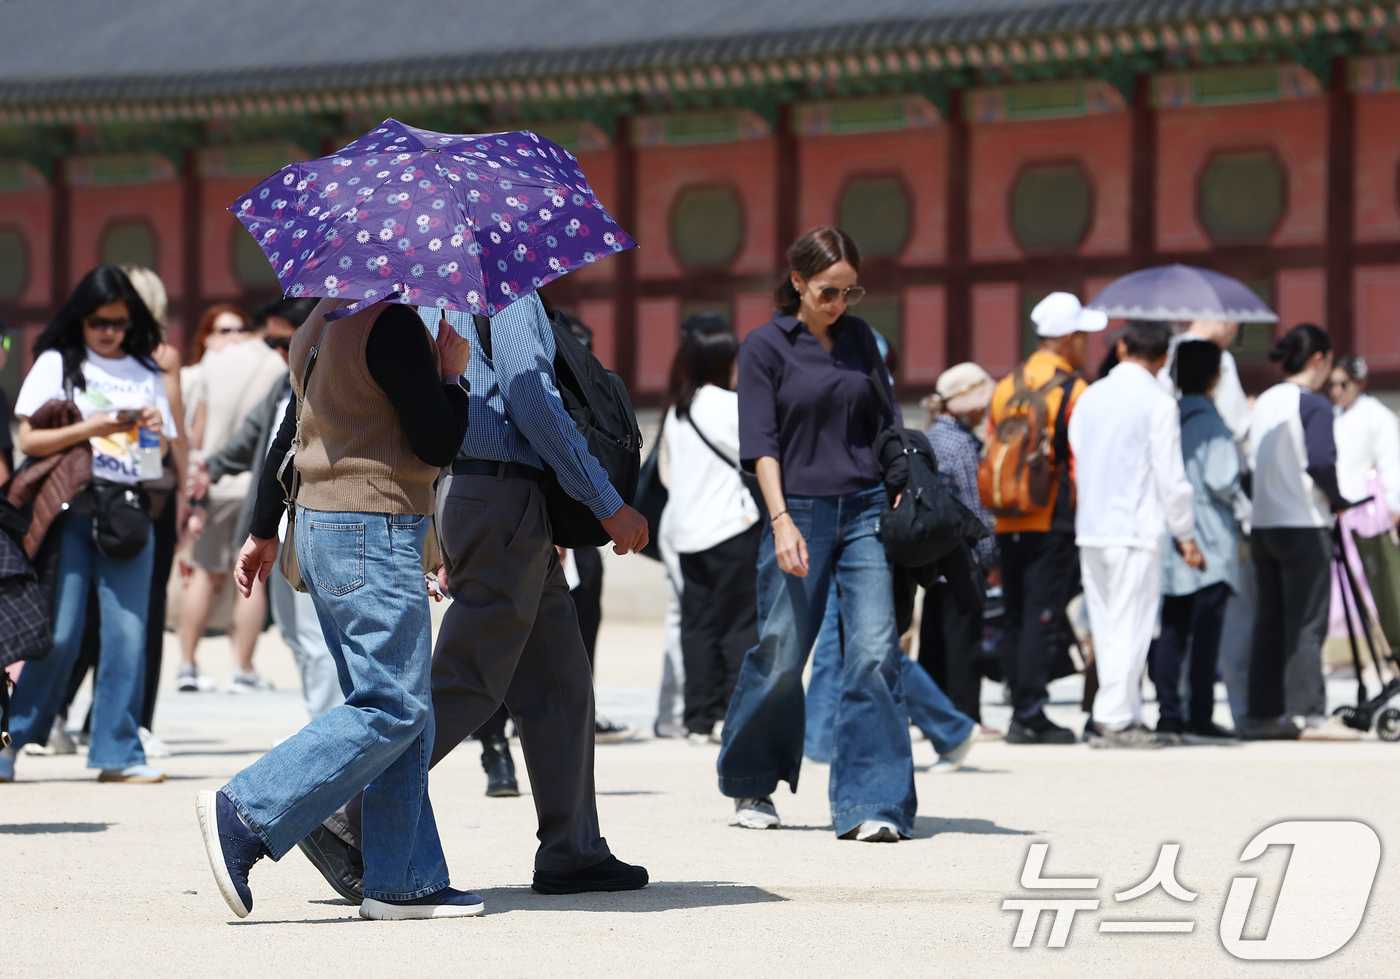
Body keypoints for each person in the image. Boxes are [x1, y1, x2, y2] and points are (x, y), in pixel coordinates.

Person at [297, 293, 650, 903]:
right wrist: (604, 501)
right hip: (497, 492)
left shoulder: (416, 292)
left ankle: (575, 849)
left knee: (559, 679)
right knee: (467, 677)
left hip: (481, 494)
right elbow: (532, 399)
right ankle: (346, 814)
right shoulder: (501, 288)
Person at [201, 296, 482, 920]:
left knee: (401, 709)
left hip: (324, 528)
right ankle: (248, 810)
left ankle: (401, 878)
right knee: (395, 705)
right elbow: (437, 441)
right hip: (373, 527)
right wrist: (452, 377)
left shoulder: (319, 321)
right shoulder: (392, 324)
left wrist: (263, 528)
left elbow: (289, 433)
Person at [720, 226, 913, 843]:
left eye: (851, 293)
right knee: (781, 650)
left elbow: (886, 420)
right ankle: (754, 780)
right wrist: (779, 520)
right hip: (796, 509)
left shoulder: (860, 339)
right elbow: (762, 444)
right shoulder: (764, 347)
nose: (839, 304)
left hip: (864, 511)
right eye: (829, 291)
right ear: (798, 282)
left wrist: (902, 480)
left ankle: (872, 802)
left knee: (876, 651)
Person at [0, 266, 177, 785]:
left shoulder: (146, 369)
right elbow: (29, 439)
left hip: (128, 506)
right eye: (100, 321)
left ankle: (117, 751)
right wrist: (93, 427)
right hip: (69, 507)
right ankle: (14, 739)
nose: (109, 332)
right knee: (60, 632)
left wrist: (150, 432)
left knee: (128, 632)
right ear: (81, 317)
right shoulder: (58, 362)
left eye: (120, 323)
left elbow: (161, 449)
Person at [187, 298, 339, 721]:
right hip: (280, 523)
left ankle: (330, 731)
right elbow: (256, 437)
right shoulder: (283, 383)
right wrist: (211, 469)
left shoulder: (329, 373)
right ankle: (319, 723)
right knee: (292, 632)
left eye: (278, 339)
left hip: (318, 518)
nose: (271, 347)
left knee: (316, 633)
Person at [1070, 320, 1201, 749]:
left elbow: (1078, 454)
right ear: (1164, 357)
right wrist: (1186, 532)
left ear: (1123, 347)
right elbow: (1172, 478)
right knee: (1132, 625)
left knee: (1107, 626)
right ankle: (1116, 716)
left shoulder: (1090, 396)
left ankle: (1116, 712)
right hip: (1135, 527)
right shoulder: (1159, 403)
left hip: (1092, 527)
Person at [989, 292, 1103, 745]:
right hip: (1051, 514)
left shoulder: (1007, 384)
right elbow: (1081, 459)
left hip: (1009, 512)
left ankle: (1019, 700)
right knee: (1042, 613)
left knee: (1015, 613)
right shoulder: (1074, 390)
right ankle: (1031, 714)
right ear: (1070, 338)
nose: (1087, 346)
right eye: (1084, 337)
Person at [1245, 324, 1357, 740]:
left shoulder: (1266, 402)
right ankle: (1309, 713)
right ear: (1319, 359)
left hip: (1264, 524)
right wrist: (1339, 498)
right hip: (1304, 522)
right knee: (1307, 623)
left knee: (1269, 621)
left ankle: (1263, 713)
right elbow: (1322, 461)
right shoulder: (1315, 405)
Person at [179, 301, 288, 694]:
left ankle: (187, 666)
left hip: (214, 480)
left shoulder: (209, 364)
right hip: (256, 485)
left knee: (205, 575)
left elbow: (198, 428)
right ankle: (242, 668)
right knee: (254, 575)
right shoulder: (275, 365)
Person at [662, 319, 760, 743]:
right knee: (739, 625)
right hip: (729, 527)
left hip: (686, 531)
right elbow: (760, 456)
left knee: (697, 626)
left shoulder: (677, 409)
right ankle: (732, 712)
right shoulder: (727, 405)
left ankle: (698, 719)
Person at [1152, 340, 1245, 742]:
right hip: (1209, 536)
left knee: (1172, 627)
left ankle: (1169, 712)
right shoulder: (1212, 421)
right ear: (1215, 377)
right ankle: (1200, 713)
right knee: (1206, 631)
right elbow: (1223, 479)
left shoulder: (1166, 415)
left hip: (1174, 530)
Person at [920, 362, 1000, 737]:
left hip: (934, 551)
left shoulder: (934, 436)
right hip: (962, 553)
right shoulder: (961, 444)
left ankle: (931, 711)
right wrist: (991, 556)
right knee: (963, 638)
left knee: (935, 636)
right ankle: (965, 715)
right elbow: (976, 507)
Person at [1327, 354, 1400, 644]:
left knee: (1373, 580)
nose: (1337, 391)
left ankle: (1384, 646)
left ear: (1359, 382)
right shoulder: (1334, 415)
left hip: (1368, 515)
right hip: (1340, 512)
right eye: (1332, 385)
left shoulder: (1377, 415)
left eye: (1343, 384)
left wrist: (1395, 505)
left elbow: (1391, 464)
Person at [1159, 320, 1251, 446]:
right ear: (1224, 322)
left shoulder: (1166, 350)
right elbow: (1235, 424)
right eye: (1238, 328)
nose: (1234, 335)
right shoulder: (1220, 358)